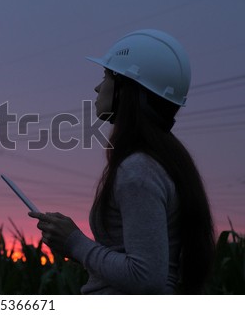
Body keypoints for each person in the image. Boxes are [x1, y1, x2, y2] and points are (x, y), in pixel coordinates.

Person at [29, 29, 215, 294]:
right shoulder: (163, 161)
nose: (97, 87)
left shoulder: (138, 170)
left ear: (128, 89)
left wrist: (75, 242)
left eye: (106, 76)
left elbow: (146, 276)